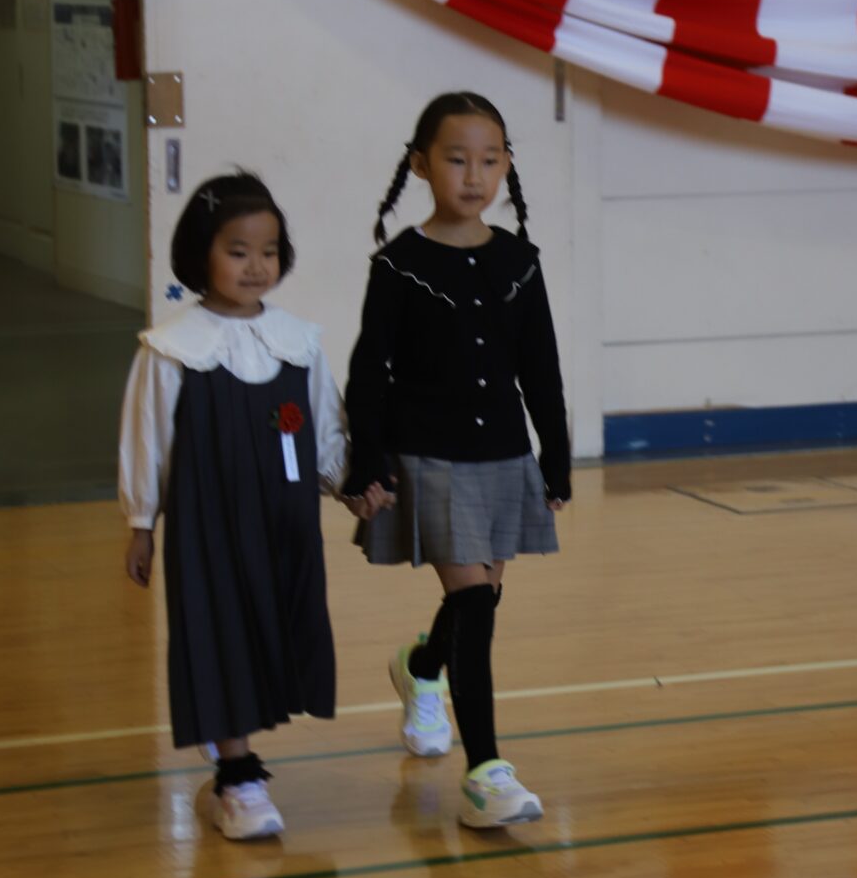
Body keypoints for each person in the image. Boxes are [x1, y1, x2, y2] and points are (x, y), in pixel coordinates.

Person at [343, 92, 570, 829]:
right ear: (419, 164)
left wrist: (556, 458)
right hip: (428, 458)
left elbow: (542, 368)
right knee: (474, 602)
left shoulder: (519, 262)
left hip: (503, 455)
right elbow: (369, 371)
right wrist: (368, 461)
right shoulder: (400, 265)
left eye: (491, 159)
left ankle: (422, 669)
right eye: (456, 158)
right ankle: (487, 773)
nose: (475, 175)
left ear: (507, 166)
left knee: (481, 605)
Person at [119, 171, 345, 840]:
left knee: (275, 631)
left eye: (269, 251)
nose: (256, 266)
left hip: (285, 526)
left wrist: (352, 486)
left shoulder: (300, 342)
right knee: (215, 634)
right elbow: (147, 439)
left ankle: (238, 762)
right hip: (209, 527)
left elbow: (326, 429)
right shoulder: (169, 349)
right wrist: (141, 523)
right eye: (238, 251)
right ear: (200, 254)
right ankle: (237, 778)